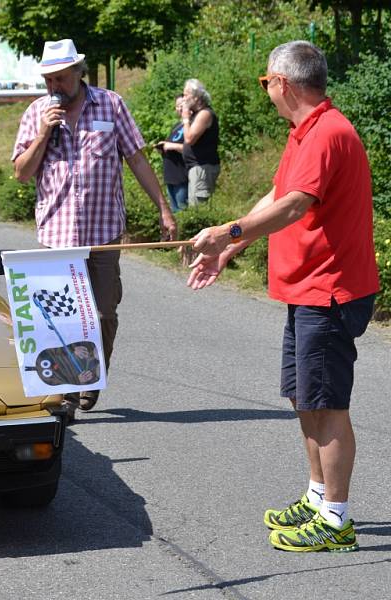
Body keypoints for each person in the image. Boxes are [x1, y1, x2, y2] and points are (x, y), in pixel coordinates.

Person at [187, 41, 379, 552]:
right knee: (304, 396)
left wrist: (226, 233)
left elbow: (295, 206)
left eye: (265, 82)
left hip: (330, 290)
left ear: (283, 83)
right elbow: (276, 194)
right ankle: (318, 496)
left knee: (329, 404)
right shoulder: (306, 132)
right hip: (308, 289)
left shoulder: (327, 133)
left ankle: (336, 520)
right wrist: (232, 248)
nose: (266, 90)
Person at [12, 38, 177, 422]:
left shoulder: (111, 104)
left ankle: (91, 376)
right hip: (56, 235)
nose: (54, 87)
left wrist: (164, 209)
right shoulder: (37, 112)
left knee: (103, 313)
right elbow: (21, 173)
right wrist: (42, 135)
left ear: (78, 73)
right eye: (48, 80)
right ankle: (68, 391)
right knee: (63, 318)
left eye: (60, 78)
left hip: (103, 232)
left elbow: (136, 157)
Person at [181, 79, 220, 206]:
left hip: (202, 168)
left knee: (199, 207)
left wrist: (186, 119)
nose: (184, 99)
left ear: (197, 97)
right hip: (195, 168)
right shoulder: (197, 114)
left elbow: (189, 138)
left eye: (186, 95)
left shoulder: (204, 114)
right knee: (194, 208)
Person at [154, 95, 189, 212]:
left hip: (182, 176)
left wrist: (171, 146)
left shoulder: (192, 126)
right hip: (170, 176)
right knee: (174, 211)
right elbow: (171, 146)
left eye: (182, 105)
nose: (179, 108)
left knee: (183, 210)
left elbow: (192, 150)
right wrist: (163, 147)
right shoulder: (177, 126)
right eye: (177, 106)